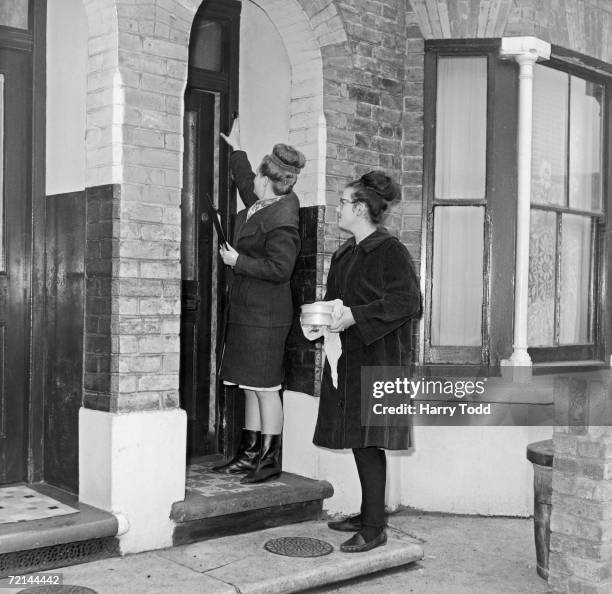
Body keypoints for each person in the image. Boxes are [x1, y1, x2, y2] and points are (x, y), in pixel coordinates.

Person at [312, 172, 422, 552]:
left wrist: (356, 315)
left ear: (360, 208)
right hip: (349, 357)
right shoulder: (346, 252)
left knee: (370, 439)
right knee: (360, 439)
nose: (338, 208)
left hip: (380, 359)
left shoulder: (390, 251)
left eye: (343, 202)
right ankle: (368, 512)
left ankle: (374, 528)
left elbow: (408, 303)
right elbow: (334, 301)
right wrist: (318, 319)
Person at [212, 118, 305, 484]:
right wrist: (237, 149)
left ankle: (269, 461)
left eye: (256, 177)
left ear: (266, 181)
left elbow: (281, 269)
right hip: (250, 311)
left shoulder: (283, 217)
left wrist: (239, 262)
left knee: (266, 389)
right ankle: (249, 454)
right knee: (250, 384)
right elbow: (242, 178)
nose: (250, 182)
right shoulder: (265, 203)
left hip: (267, 315)